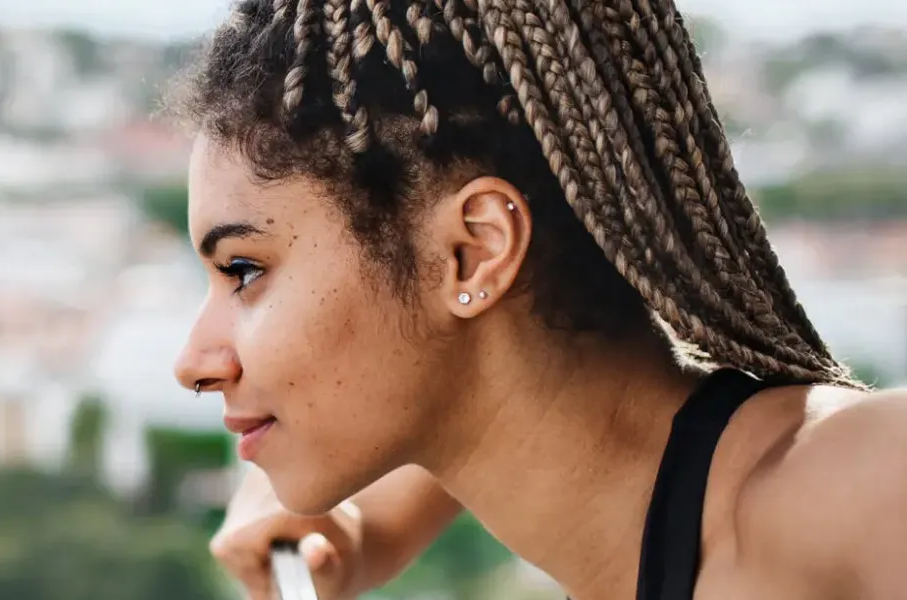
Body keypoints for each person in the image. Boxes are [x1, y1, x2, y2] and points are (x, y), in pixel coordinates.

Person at [168, 1, 907, 599]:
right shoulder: (671, 509)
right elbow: (490, 395)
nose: (192, 364)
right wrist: (354, 531)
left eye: (244, 270)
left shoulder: (863, 488)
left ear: (474, 251)